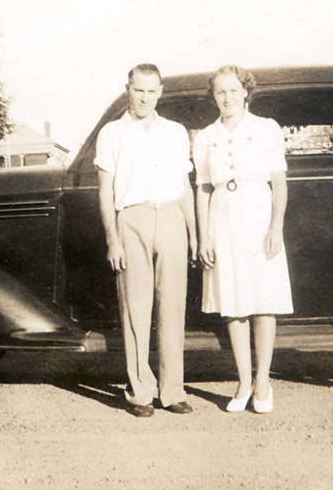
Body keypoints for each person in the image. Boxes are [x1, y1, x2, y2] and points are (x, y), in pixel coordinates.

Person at [95, 64, 198, 417]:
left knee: (172, 307)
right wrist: (113, 239)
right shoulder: (112, 133)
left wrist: (195, 234)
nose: (145, 97)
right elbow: (105, 191)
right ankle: (140, 392)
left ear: (160, 91)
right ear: (128, 89)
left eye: (152, 91)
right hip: (131, 220)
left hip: (170, 218)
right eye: (139, 90)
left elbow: (185, 188)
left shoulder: (175, 132)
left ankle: (173, 391)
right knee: (136, 309)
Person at [193, 65, 294, 414]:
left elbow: (279, 184)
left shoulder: (266, 129)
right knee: (233, 303)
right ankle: (244, 382)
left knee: (263, 300)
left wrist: (275, 227)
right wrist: (204, 235)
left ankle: (263, 382)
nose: (227, 98)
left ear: (246, 92)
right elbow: (203, 189)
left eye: (234, 91)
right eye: (221, 92)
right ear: (214, 96)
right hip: (222, 217)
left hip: (258, 214)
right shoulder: (205, 136)